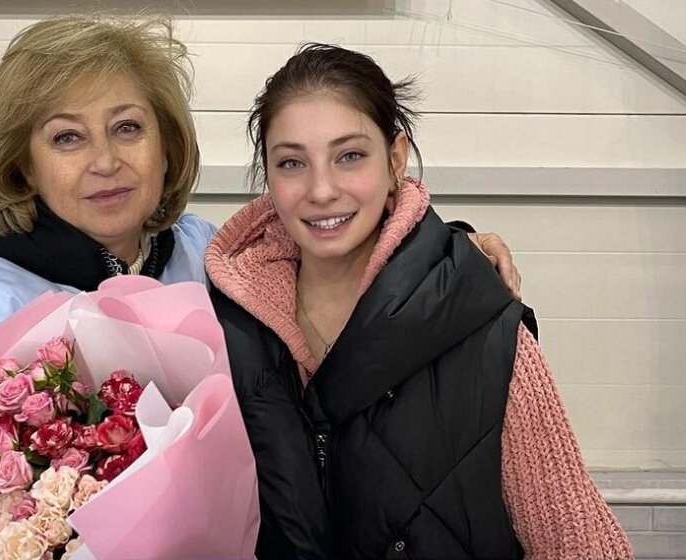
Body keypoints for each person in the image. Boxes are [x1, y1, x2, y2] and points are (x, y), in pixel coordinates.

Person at [0, 17, 518, 559]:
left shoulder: (218, 258)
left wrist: (449, 255)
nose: (105, 161)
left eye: (127, 128)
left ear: (165, 144)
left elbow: (341, 245)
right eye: (67, 139)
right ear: (22, 163)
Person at [206, 44, 633, 559]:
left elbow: (581, 545)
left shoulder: (487, 334)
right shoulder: (225, 328)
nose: (321, 190)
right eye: (292, 162)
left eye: (349, 155)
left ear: (396, 158)